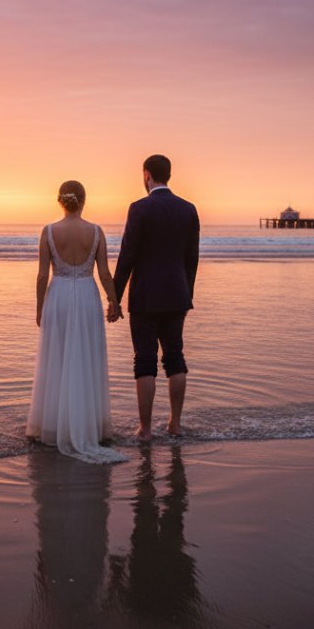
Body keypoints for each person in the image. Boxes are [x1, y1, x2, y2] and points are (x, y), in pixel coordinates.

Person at [27, 180, 127, 464]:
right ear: (83, 200)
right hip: (86, 296)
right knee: (85, 359)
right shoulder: (95, 232)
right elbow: (105, 274)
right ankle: (88, 426)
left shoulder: (48, 231)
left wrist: (39, 308)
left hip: (58, 296)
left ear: (60, 201)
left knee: (56, 358)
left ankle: (53, 427)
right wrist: (114, 301)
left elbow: (42, 276)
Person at [110, 154, 200, 441]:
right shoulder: (188, 209)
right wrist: (187, 292)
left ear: (146, 175)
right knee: (175, 357)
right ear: (169, 175)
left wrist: (115, 297)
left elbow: (127, 256)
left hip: (145, 296)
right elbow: (192, 258)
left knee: (145, 360)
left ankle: (145, 430)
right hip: (176, 294)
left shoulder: (139, 208)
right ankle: (175, 424)